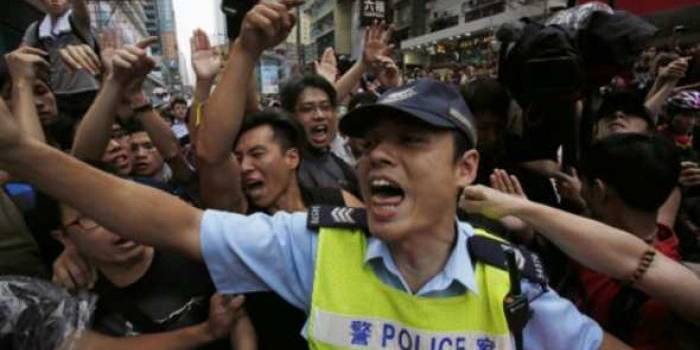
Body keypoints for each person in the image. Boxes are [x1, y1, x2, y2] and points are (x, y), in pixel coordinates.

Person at [0, 2, 626, 349]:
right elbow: (174, 221)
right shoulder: (317, 247)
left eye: (410, 142)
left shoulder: (513, 287)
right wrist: (23, 155)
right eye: (371, 142)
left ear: (466, 169)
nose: (380, 155)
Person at [21, 0, 101, 122]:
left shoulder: (77, 20)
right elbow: (20, 56)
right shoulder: (35, 29)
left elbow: (81, 9)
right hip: (58, 95)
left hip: (87, 92)